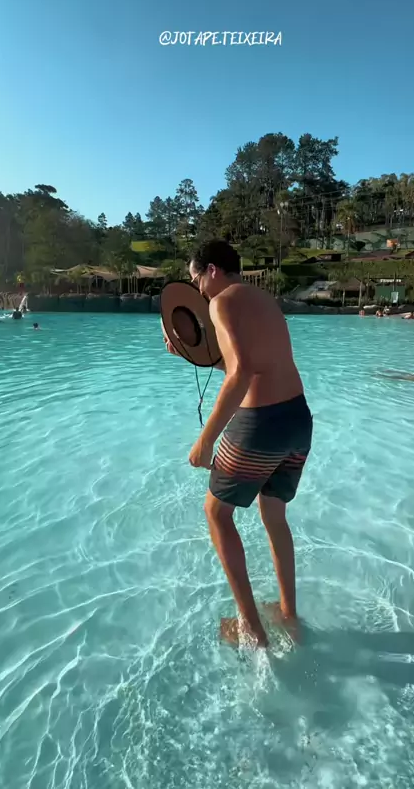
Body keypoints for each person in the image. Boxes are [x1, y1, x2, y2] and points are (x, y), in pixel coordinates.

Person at [165, 240, 313, 648]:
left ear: (212, 270)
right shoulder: (264, 301)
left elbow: (242, 372)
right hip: (298, 421)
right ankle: (288, 615)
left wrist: (205, 441)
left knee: (216, 513)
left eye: (197, 279)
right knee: (274, 516)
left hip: (260, 426)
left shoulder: (221, 301)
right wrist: (190, 356)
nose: (198, 289)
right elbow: (251, 364)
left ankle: (251, 627)